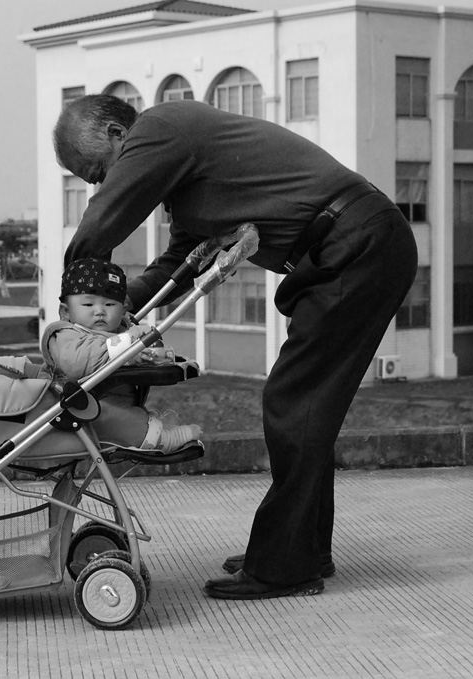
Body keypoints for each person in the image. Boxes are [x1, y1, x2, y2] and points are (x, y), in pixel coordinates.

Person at [53, 95, 418, 600]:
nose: (97, 183)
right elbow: (179, 264)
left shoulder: (163, 126)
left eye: (94, 169)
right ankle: (300, 550)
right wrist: (116, 309)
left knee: (295, 402)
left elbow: (107, 211)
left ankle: (284, 566)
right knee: (306, 406)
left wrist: (72, 299)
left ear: (118, 133)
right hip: (341, 252)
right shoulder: (187, 185)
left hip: (357, 245)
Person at [41, 257, 202, 453]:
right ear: (65, 311)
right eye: (88, 305)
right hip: (84, 412)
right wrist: (128, 343)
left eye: (109, 305)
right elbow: (76, 362)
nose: (99, 311)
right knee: (122, 420)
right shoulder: (65, 335)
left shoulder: (123, 330)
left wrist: (152, 352)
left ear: (123, 308)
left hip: (117, 404)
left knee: (128, 416)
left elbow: (138, 346)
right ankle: (159, 438)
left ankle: (151, 426)